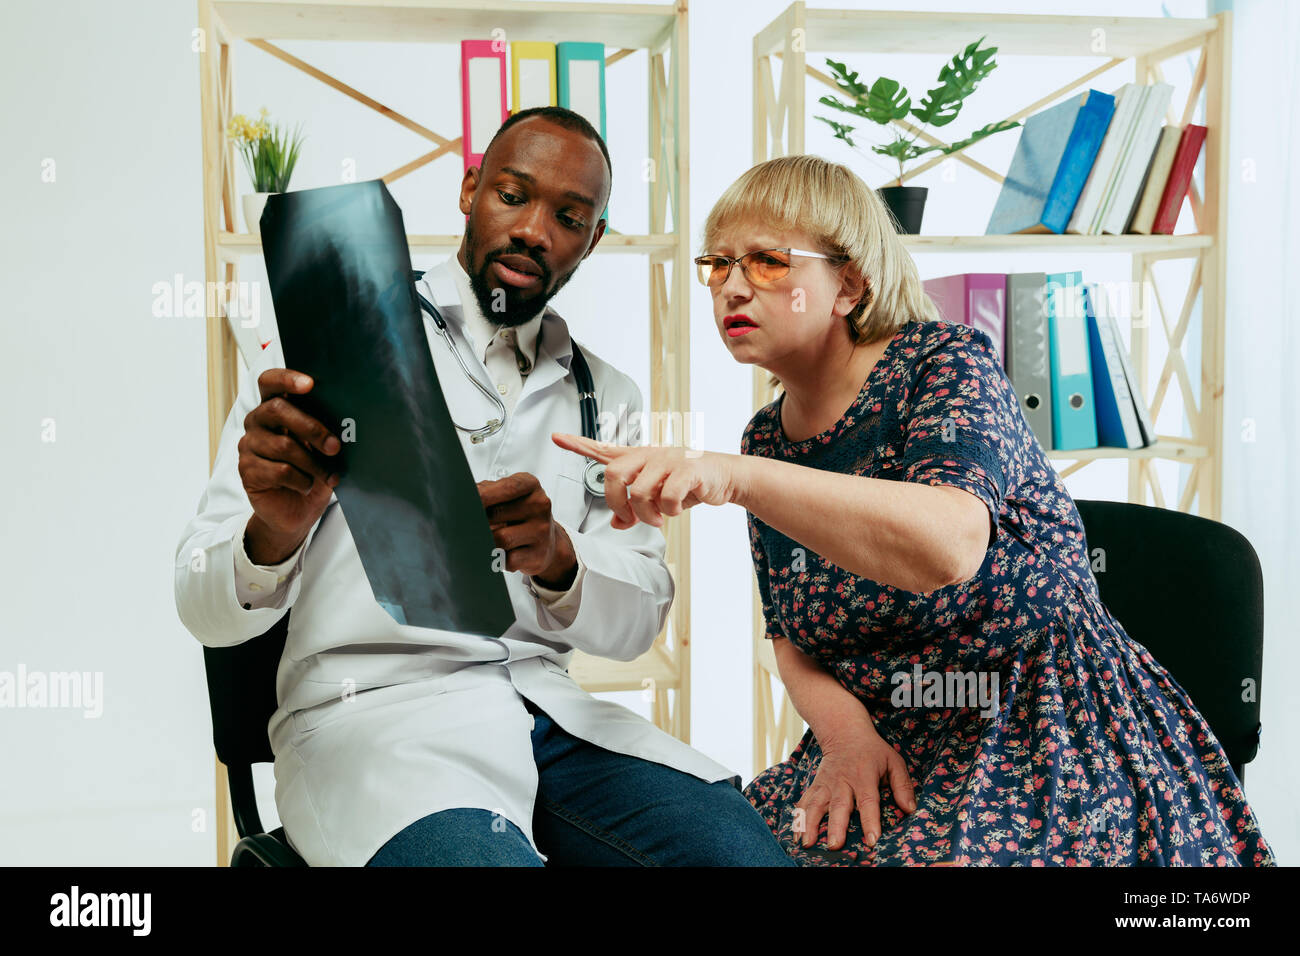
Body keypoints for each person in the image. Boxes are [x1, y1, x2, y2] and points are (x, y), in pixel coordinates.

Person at [552, 154, 1277, 866]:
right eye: (718, 264)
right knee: (725, 849)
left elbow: (948, 545)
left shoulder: (945, 363)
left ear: (849, 285)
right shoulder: (767, 438)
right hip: (882, 733)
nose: (732, 288)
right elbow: (793, 638)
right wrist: (846, 739)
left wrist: (738, 478)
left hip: (1042, 725)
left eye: (769, 262)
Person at [174, 107, 793, 867]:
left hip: (547, 716)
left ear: (593, 240)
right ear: (470, 192)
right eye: (512, 195)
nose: (535, 229)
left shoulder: (610, 396)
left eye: (569, 216)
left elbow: (636, 623)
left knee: (743, 859)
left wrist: (561, 559)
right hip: (373, 724)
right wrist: (272, 532)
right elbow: (200, 603)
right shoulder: (327, 344)